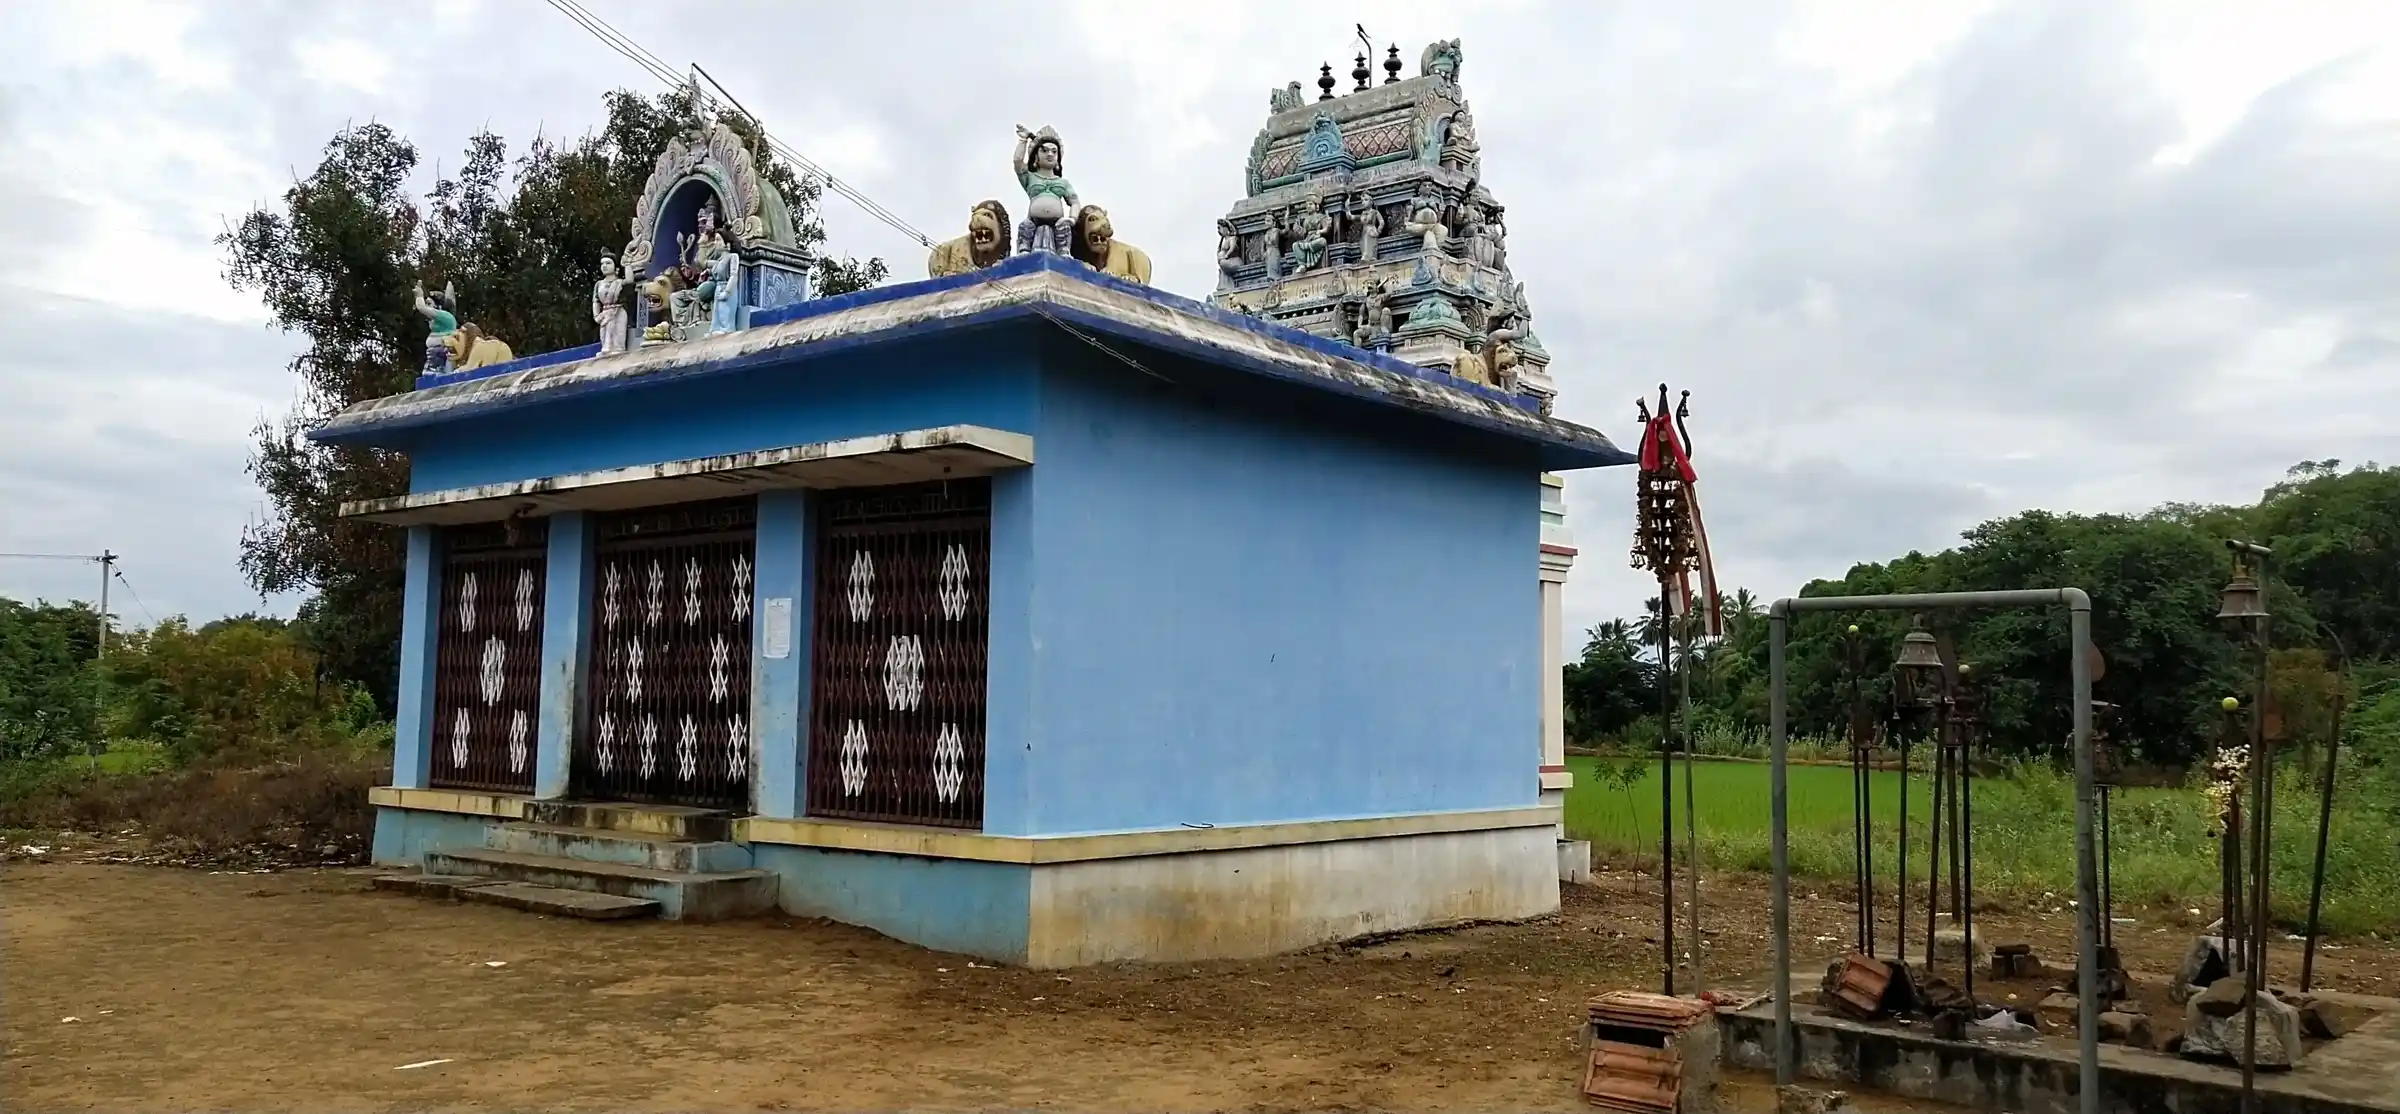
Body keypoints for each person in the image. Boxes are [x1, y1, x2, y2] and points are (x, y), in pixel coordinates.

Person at [1013, 125, 1078, 254]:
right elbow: (1017, 162)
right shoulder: (1030, 178)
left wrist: (1072, 218)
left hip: (1058, 226)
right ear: (1036, 156)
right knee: (1025, 226)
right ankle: (1024, 249)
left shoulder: (1062, 182)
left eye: (1054, 151)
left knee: (1063, 231)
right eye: (1045, 150)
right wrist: (1023, 140)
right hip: (1032, 223)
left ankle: (1064, 251)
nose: (1050, 154)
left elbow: (1074, 202)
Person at [592, 255, 631, 355]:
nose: (604, 266)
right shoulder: (599, 284)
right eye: (602, 264)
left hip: (618, 313)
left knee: (617, 345)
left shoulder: (620, 282)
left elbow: (630, 281)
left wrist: (627, 265)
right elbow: (595, 301)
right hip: (604, 314)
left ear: (616, 268)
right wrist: (596, 315)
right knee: (605, 340)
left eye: (608, 263)